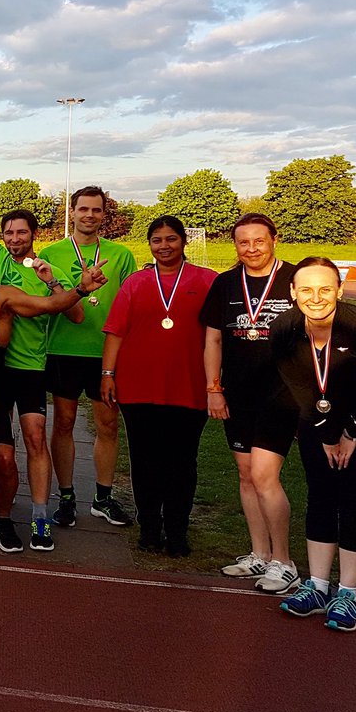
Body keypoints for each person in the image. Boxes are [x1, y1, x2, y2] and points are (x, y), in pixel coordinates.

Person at [0, 146, 85, 549]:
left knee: (36, 438)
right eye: (8, 232)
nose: (13, 238)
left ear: (33, 235)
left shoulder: (48, 269)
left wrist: (54, 282)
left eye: (21, 232)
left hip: (29, 367)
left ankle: (40, 517)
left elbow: (76, 316)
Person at [0, 241, 108, 552]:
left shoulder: (4, 293)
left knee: (35, 437)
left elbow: (50, 306)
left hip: (20, 373)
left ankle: (40, 518)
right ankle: (3, 518)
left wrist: (79, 290)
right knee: (3, 458)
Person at [274, 259, 356, 632]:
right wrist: (326, 435)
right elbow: (300, 388)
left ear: (339, 290)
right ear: (293, 293)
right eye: (306, 289)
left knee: (353, 499)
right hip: (319, 422)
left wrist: (351, 434)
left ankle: (348, 593)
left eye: (325, 289)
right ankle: (318, 586)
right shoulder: (285, 329)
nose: (316, 297)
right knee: (320, 495)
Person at [101, 215, 217, 557]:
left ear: (184, 241)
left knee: (182, 461)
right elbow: (116, 332)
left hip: (189, 386)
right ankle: (150, 527)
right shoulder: (135, 283)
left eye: (171, 239)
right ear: (149, 244)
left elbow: (218, 338)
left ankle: (177, 529)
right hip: (138, 388)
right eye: (157, 240)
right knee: (145, 460)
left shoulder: (207, 281)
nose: (164, 246)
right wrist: (107, 374)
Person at [202, 213, 299, 593]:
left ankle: (284, 561)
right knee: (245, 475)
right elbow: (213, 340)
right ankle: (259, 554)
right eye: (244, 242)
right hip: (237, 393)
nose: (252, 248)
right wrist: (214, 387)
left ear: (274, 239)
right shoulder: (225, 284)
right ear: (235, 246)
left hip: (282, 393)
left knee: (264, 475)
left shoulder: (294, 279)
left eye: (259, 240)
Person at [40, 184, 139, 529]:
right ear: (72, 211)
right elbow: (50, 301)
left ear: (104, 214)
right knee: (63, 423)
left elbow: (130, 305)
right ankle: (66, 498)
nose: (89, 215)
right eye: (83, 209)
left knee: (108, 425)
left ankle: (103, 497)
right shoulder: (52, 253)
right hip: (64, 349)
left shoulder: (121, 255)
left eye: (96, 210)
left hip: (106, 353)